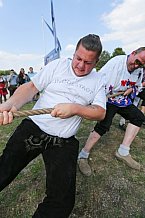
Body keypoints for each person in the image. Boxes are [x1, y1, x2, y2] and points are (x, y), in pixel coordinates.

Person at [0, 34, 106, 218]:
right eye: (78, 58)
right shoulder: (58, 65)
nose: (81, 66)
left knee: (62, 201)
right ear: (73, 54)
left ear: (96, 62)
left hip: (63, 141)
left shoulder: (98, 80)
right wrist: (8, 106)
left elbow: (100, 112)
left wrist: (75, 109)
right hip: (34, 127)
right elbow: (31, 87)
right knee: (3, 169)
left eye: (88, 63)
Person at [78, 47, 145, 177]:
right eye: (137, 61)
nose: (137, 66)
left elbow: (137, 85)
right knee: (104, 125)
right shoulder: (115, 63)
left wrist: (131, 89)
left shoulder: (139, 70)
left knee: (138, 117)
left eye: (141, 64)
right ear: (133, 53)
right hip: (108, 99)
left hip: (122, 100)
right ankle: (83, 155)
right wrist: (95, 100)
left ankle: (123, 152)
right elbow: (98, 81)